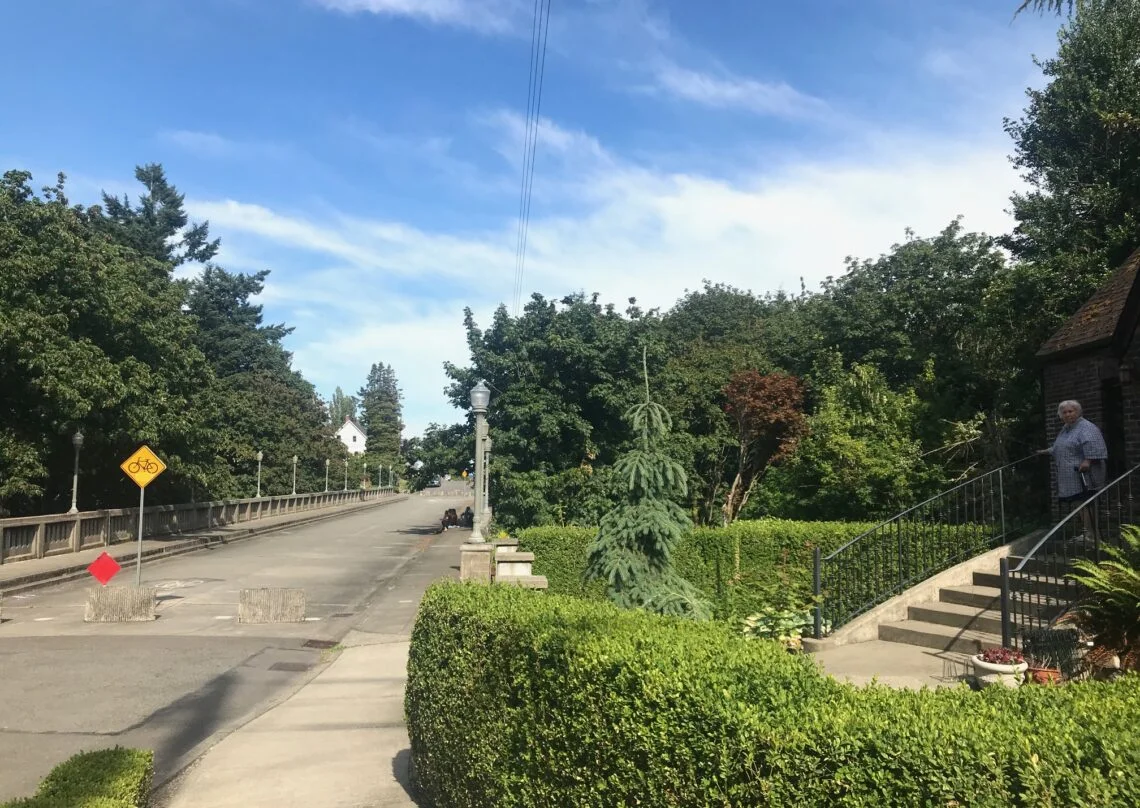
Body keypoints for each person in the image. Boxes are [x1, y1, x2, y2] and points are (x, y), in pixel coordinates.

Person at [1040, 400, 1108, 540]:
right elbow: (1060, 447)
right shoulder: (1066, 428)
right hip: (1071, 476)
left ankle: (1093, 535)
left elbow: (1096, 446)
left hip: (1085, 475)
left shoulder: (1086, 427)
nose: (1068, 414)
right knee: (1080, 505)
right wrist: (1045, 451)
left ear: (1078, 412)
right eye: (1064, 412)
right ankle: (1087, 532)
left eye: (1071, 411)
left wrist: (1088, 461)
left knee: (1087, 503)